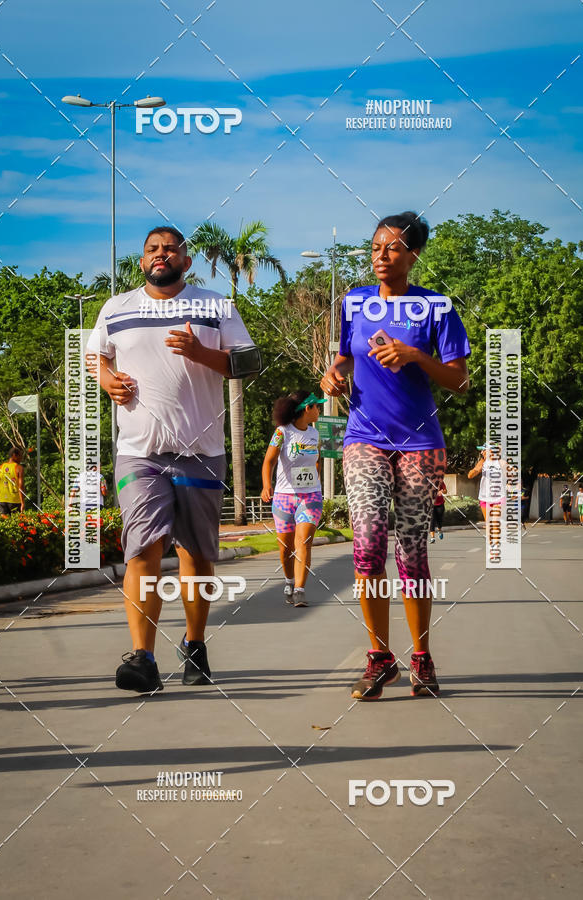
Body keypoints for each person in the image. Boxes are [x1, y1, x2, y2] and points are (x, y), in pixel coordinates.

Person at [86, 226, 254, 694]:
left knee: (197, 557)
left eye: (170, 249)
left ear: (187, 259)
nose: (161, 255)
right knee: (142, 548)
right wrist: (106, 379)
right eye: (152, 250)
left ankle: (195, 643)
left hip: (201, 453)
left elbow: (248, 362)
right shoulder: (116, 307)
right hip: (138, 451)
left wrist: (202, 352)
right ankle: (142, 658)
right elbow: (96, 356)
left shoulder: (215, 305)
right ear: (142, 260)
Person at [320, 211, 470, 700]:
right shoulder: (354, 302)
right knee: (366, 543)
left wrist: (415, 356)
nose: (382, 255)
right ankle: (380, 657)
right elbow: (345, 355)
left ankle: (421, 658)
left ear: (414, 255)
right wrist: (333, 375)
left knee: (411, 549)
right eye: (376, 247)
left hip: (421, 442)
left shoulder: (437, 309)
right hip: (364, 434)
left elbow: (461, 380)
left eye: (393, 248)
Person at [261, 390, 324, 607]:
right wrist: (267, 485)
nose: (319, 410)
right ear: (307, 408)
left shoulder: (315, 434)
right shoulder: (282, 432)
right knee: (285, 548)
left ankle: (299, 589)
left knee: (303, 542)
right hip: (284, 497)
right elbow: (269, 461)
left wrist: (314, 478)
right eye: (317, 406)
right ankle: (289, 581)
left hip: (311, 495)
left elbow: (317, 460)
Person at [468, 445, 503, 521]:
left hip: (498, 497)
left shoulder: (500, 462)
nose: (481, 452)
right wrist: (476, 470)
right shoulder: (482, 462)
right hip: (484, 496)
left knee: (495, 523)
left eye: (483, 450)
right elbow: (470, 476)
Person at [0, 447, 25, 516]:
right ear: (14, 455)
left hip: (2, 500)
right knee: (16, 523)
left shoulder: (1, 467)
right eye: (20, 456)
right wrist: (22, 502)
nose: (21, 458)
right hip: (15, 500)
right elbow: (21, 486)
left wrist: (0, 493)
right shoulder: (19, 468)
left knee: (4, 524)